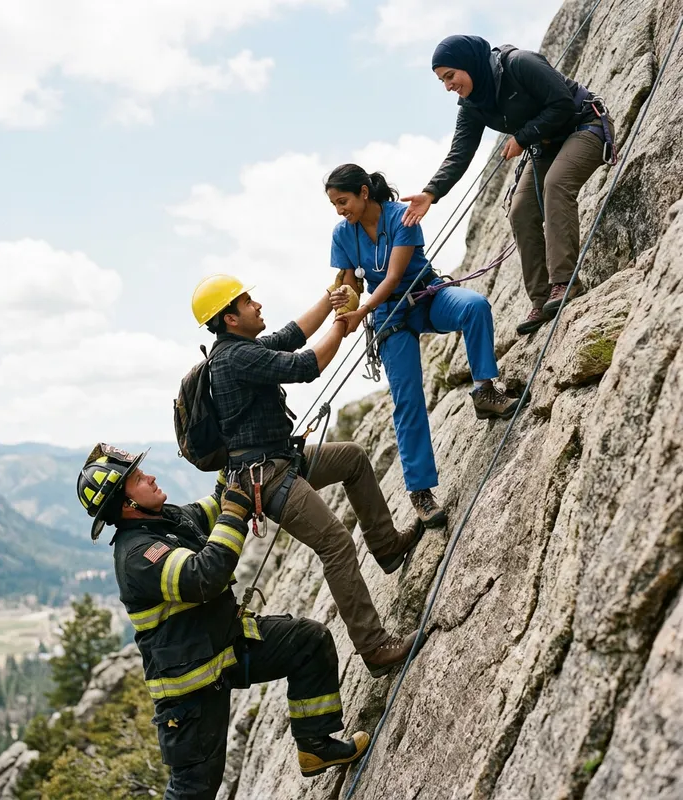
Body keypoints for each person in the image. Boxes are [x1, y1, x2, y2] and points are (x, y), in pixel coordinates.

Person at [76, 443, 370, 800]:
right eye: (138, 478)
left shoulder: (170, 518)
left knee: (309, 642)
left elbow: (219, 501)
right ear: (127, 505)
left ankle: (315, 746)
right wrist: (233, 515)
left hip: (228, 650)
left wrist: (235, 456)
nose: (150, 477)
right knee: (194, 790)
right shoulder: (138, 555)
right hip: (191, 694)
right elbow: (203, 577)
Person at [191, 274, 419, 678]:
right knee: (335, 544)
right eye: (247, 303)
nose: (257, 306)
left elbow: (292, 334)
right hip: (267, 477)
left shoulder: (240, 349)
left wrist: (331, 302)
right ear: (229, 318)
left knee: (351, 458)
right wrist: (341, 323)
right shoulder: (235, 359)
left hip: (278, 461)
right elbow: (305, 365)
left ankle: (385, 546)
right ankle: (374, 647)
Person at [325, 164, 519, 525]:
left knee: (474, 307)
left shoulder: (402, 216)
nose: (340, 210)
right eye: (335, 204)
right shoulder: (343, 234)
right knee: (408, 399)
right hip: (389, 318)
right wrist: (345, 302)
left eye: (343, 201)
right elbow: (351, 283)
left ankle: (484, 390)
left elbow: (395, 275)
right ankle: (421, 492)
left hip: (425, 296)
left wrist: (362, 307)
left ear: (364, 192)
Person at [402, 35, 615, 335]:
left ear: (469, 64)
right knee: (520, 209)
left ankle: (564, 282)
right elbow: (460, 153)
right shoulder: (472, 105)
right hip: (547, 144)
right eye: (442, 81)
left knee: (555, 184)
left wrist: (521, 137)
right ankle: (541, 299)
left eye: (450, 76)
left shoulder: (519, 64)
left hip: (585, 126)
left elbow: (562, 104)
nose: (448, 86)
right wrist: (430, 193)